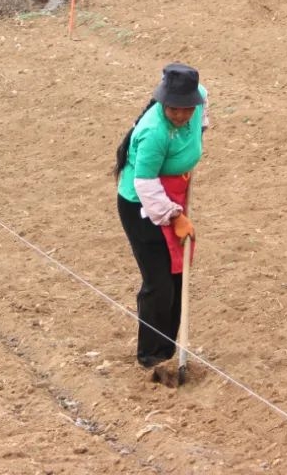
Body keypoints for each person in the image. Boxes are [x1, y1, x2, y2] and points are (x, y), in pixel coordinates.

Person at [115, 63, 209, 368]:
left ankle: (169, 352)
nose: (181, 115)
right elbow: (144, 183)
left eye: (187, 109)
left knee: (178, 276)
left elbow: (201, 120)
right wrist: (174, 216)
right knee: (159, 283)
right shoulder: (153, 131)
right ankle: (151, 356)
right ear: (162, 102)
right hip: (142, 204)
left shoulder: (200, 101)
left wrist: (193, 142)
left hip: (173, 193)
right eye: (173, 109)